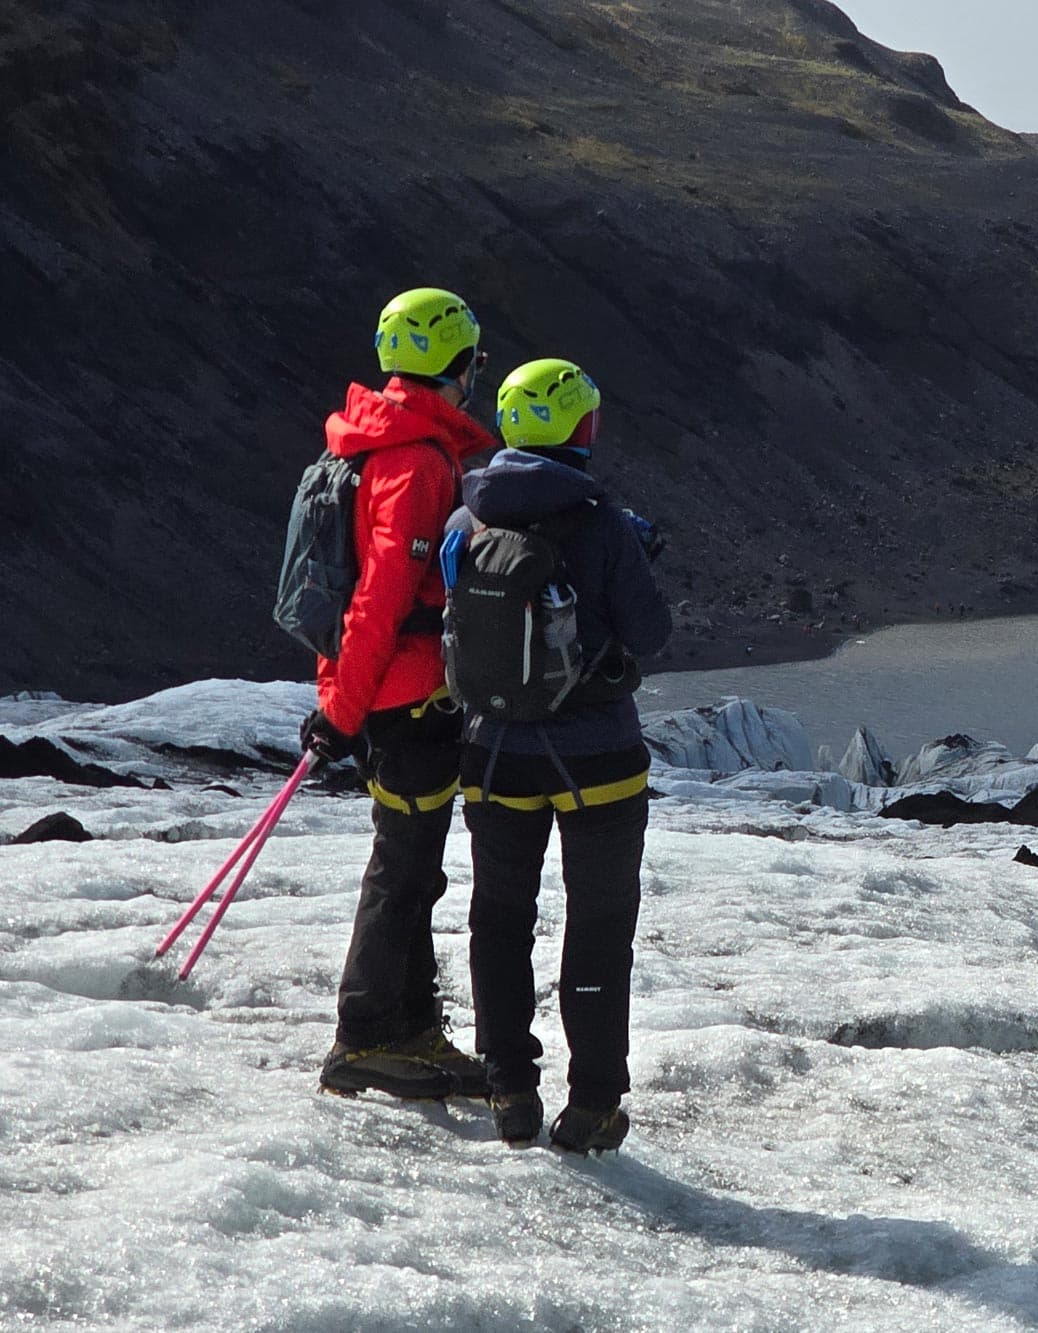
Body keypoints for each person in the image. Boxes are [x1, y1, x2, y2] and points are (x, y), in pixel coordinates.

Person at [446, 357, 670, 1151]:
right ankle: (593, 1104)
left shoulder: (466, 518)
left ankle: (508, 1085)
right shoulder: (603, 523)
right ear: (583, 425)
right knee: (598, 926)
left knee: (499, 919)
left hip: (494, 751)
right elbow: (650, 634)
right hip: (598, 756)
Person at [301, 287, 494, 1100]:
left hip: (393, 693)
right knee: (403, 866)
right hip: (408, 695)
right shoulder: (416, 460)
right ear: (453, 366)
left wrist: (344, 704)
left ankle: (413, 1026)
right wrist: (340, 714)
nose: (476, 374)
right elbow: (381, 599)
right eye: (472, 361)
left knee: (413, 864)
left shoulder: (378, 442)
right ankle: (366, 1032)